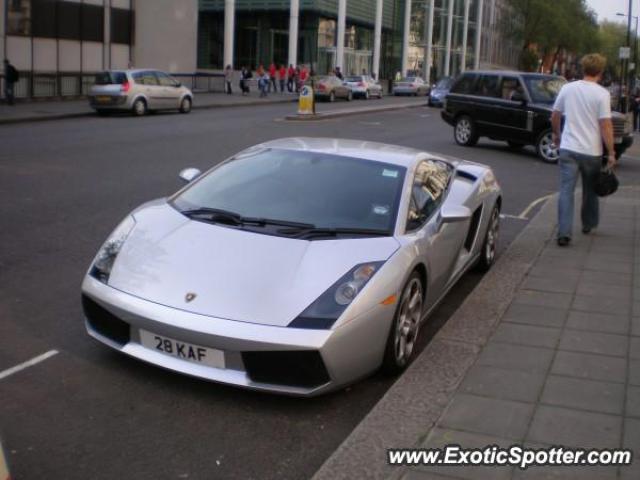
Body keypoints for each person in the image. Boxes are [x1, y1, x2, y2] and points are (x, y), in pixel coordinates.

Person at [551, 53, 616, 247]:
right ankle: (588, 224)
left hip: (568, 148)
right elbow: (605, 125)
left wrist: (557, 135)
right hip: (591, 151)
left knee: (565, 191)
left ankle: (564, 233)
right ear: (600, 72)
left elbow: (555, 114)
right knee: (590, 190)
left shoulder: (568, 88)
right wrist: (611, 152)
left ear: (583, 69)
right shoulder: (602, 94)